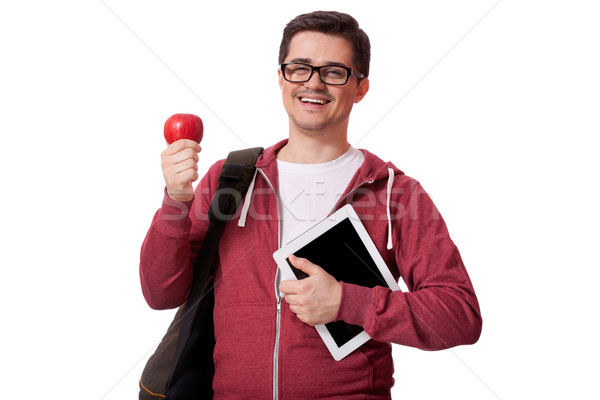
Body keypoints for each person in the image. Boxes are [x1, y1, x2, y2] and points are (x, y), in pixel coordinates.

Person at [140, 10, 482, 399]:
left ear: (361, 87)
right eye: (300, 68)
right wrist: (176, 201)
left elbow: (460, 316)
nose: (314, 83)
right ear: (282, 78)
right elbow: (161, 294)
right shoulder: (231, 179)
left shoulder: (395, 195)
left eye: (334, 71)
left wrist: (347, 302)